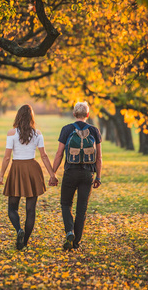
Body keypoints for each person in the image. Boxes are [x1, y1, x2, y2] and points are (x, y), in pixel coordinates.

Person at [0, 104, 57, 250]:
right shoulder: (37, 134)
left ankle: (19, 230)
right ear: (31, 117)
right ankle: (24, 243)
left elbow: (6, 158)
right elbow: (43, 155)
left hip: (17, 169)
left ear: (18, 116)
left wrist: (1, 175)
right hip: (32, 169)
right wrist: (52, 175)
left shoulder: (11, 133)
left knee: (12, 208)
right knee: (31, 210)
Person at [49, 101, 103, 250]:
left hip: (70, 173)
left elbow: (59, 154)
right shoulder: (94, 131)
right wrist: (98, 177)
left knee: (66, 204)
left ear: (74, 114)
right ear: (87, 115)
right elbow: (99, 158)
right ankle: (76, 242)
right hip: (87, 174)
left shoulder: (67, 129)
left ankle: (69, 231)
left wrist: (53, 173)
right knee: (82, 209)